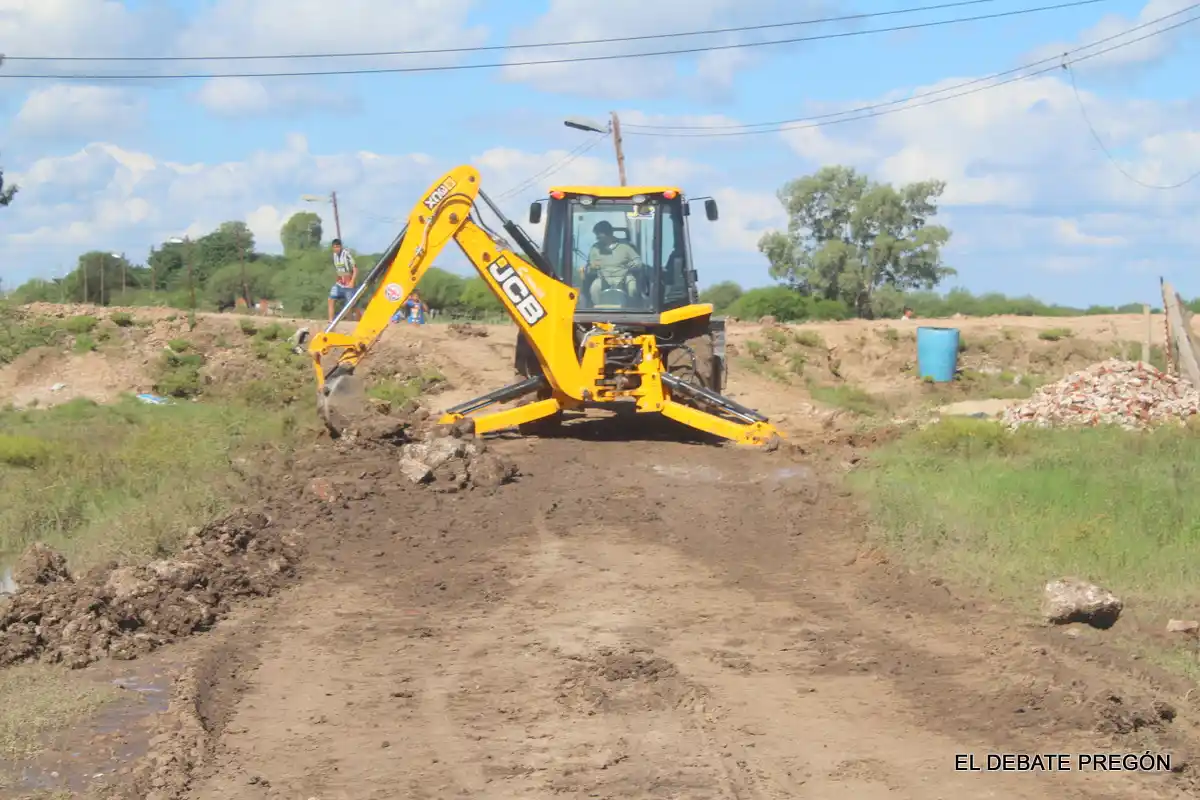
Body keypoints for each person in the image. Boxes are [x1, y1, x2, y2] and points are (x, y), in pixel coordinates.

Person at [582, 220, 642, 306]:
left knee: (632, 288)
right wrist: (591, 267)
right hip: (603, 277)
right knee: (594, 289)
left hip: (624, 275)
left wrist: (634, 264)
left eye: (599, 236)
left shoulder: (626, 246)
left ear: (608, 234)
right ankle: (599, 310)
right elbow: (589, 266)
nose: (597, 238)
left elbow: (638, 261)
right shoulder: (595, 248)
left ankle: (631, 310)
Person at [327, 238, 360, 323]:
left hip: (349, 284)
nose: (336, 249)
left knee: (352, 305)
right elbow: (338, 270)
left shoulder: (346, 254)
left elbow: (355, 269)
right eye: (334, 247)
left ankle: (359, 320)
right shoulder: (334, 256)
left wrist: (352, 282)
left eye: (338, 247)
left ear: (341, 247)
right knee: (331, 299)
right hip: (340, 283)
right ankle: (331, 320)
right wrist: (337, 280)